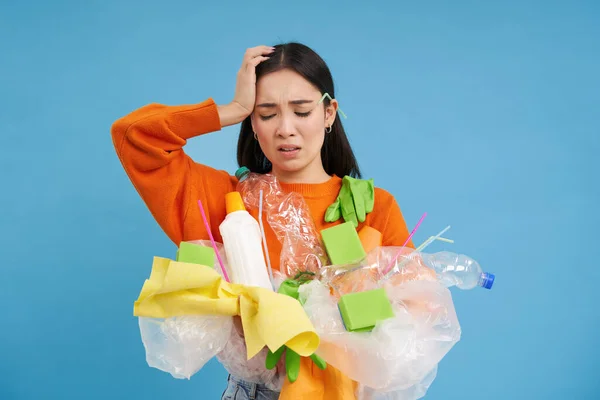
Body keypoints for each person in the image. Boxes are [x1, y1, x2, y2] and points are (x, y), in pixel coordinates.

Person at [111, 42, 414, 400]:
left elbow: (413, 313)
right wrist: (230, 109)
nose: (286, 128)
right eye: (267, 113)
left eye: (302, 111)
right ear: (252, 123)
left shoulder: (373, 209)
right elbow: (134, 135)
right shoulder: (227, 203)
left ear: (329, 113)